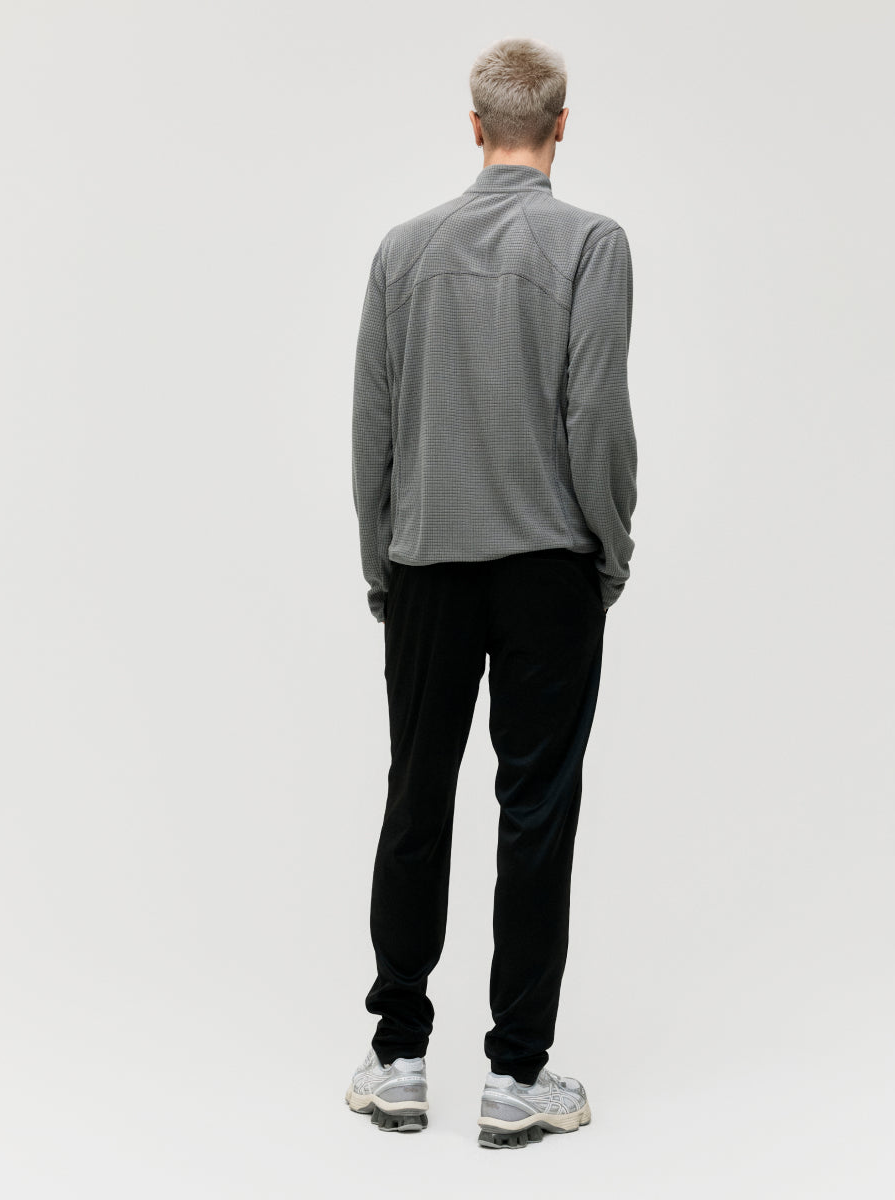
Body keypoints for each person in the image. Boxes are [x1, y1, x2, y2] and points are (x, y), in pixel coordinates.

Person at [346, 36, 638, 1149]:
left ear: (474, 127)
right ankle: (516, 1077)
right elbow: (595, 415)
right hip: (547, 569)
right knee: (537, 811)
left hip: (426, 561)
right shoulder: (593, 245)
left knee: (415, 797)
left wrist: (381, 563)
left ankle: (398, 1057)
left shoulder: (401, 250)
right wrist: (609, 548)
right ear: (561, 126)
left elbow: (372, 429)